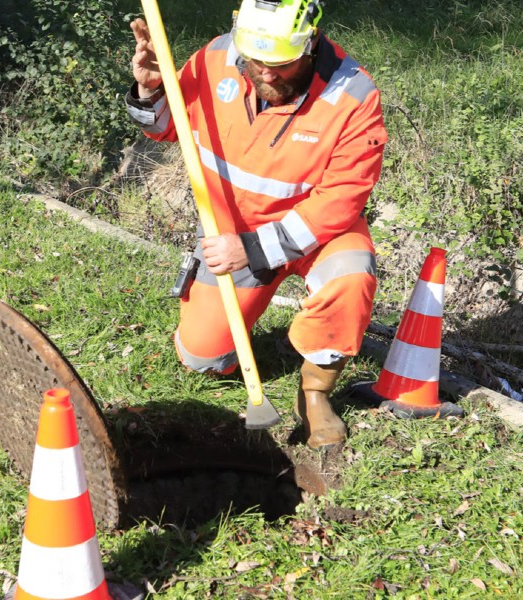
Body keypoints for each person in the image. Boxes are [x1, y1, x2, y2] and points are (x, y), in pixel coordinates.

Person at [125, 0, 387, 449]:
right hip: (232, 233)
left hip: (316, 235)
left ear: (312, 42)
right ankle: (242, 325)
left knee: (350, 276)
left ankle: (315, 392)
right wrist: (150, 92)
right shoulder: (216, 57)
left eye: (282, 63)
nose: (266, 74)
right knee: (202, 357)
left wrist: (256, 247)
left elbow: (342, 198)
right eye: (256, 61)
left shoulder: (354, 95)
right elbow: (169, 130)